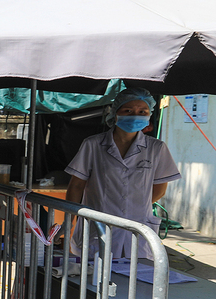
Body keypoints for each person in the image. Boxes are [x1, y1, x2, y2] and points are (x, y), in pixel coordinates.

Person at [65, 87, 181, 260]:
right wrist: (69, 221)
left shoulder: (157, 148)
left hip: (138, 226)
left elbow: (160, 190)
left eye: (143, 111)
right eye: (128, 110)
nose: (136, 115)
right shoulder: (93, 144)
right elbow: (76, 185)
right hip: (98, 225)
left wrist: (130, 205)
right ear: (115, 113)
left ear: (149, 115)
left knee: (135, 278)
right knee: (93, 277)